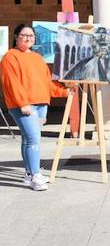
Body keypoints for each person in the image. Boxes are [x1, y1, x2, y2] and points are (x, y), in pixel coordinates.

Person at [1, 24, 68, 191]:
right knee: (33, 139)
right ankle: (36, 175)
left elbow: (47, 83)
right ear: (16, 37)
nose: (28, 38)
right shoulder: (10, 57)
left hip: (41, 106)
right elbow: (11, 83)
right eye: (24, 35)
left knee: (27, 139)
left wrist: (65, 91)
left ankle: (29, 174)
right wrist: (22, 103)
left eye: (31, 35)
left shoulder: (38, 58)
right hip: (24, 106)